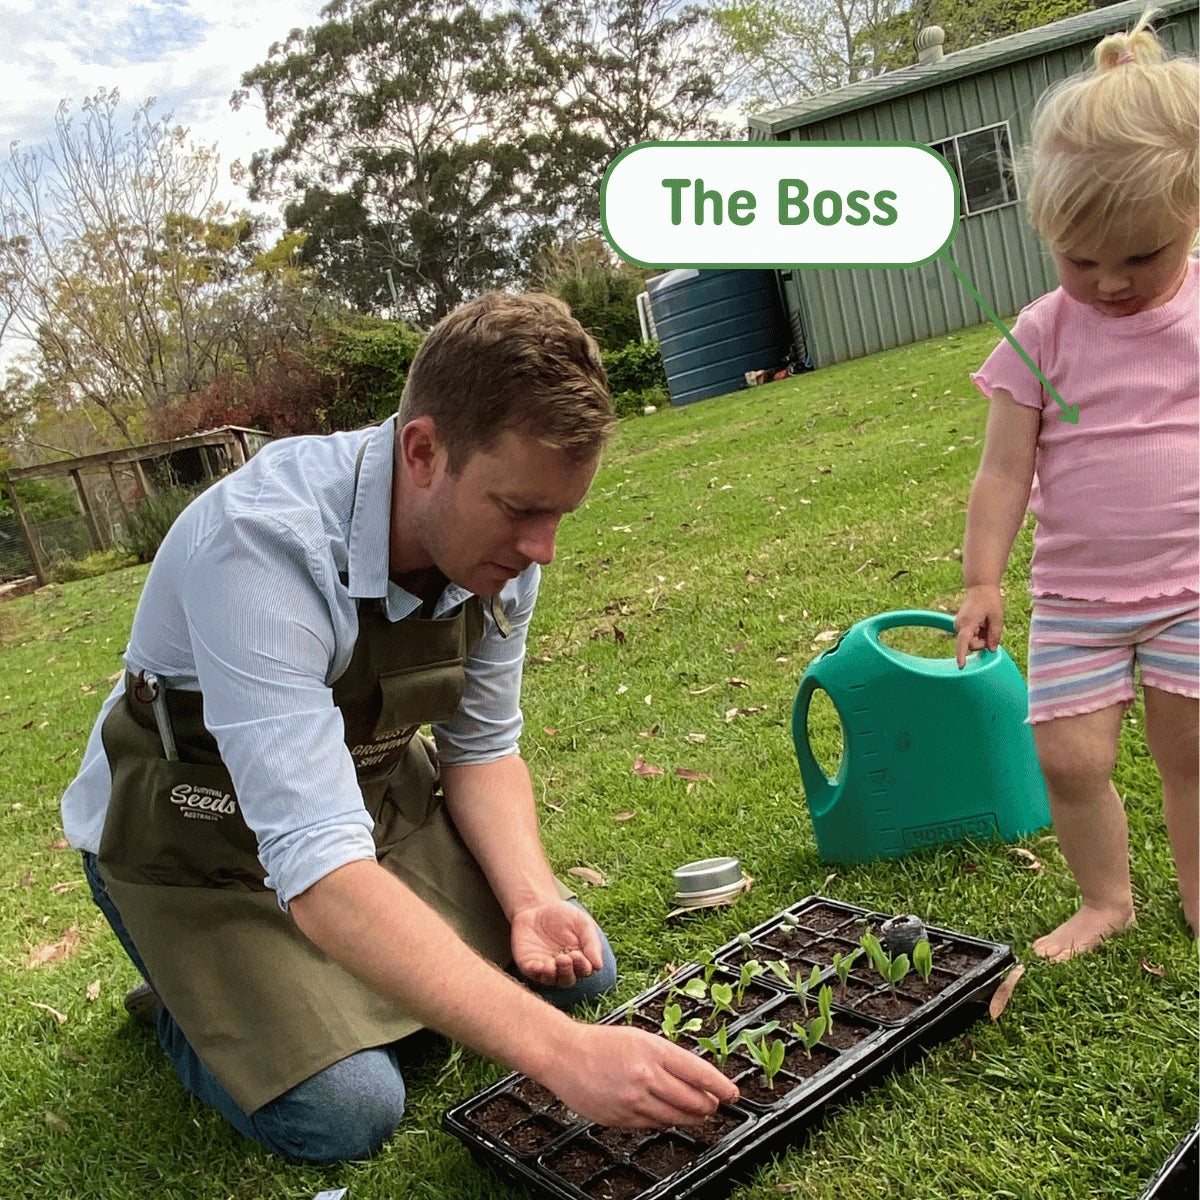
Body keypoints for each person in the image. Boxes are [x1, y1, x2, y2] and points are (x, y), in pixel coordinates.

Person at [62, 292, 738, 1162]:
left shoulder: (500, 548)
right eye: (521, 510)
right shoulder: (261, 548)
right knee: (348, 1111)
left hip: (369, 802)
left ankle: (337, 992)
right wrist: (562, 1057)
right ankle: (190, 1012)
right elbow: (320, 869)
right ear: (423, 451)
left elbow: (483, 747)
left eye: (560, 514)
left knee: (577, 967)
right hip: (199, 849)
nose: (544, 549)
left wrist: (533, 898)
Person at [953, 11, 1198, 963]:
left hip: (1190, 586)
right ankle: (1106, 900)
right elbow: (1002, 470)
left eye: (1141, 256)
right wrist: (983, 579)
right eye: (1079, 259)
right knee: (1069, 755)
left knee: (1190, 756)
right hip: (1076, 599)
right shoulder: (1042, 332)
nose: (1110, 282)